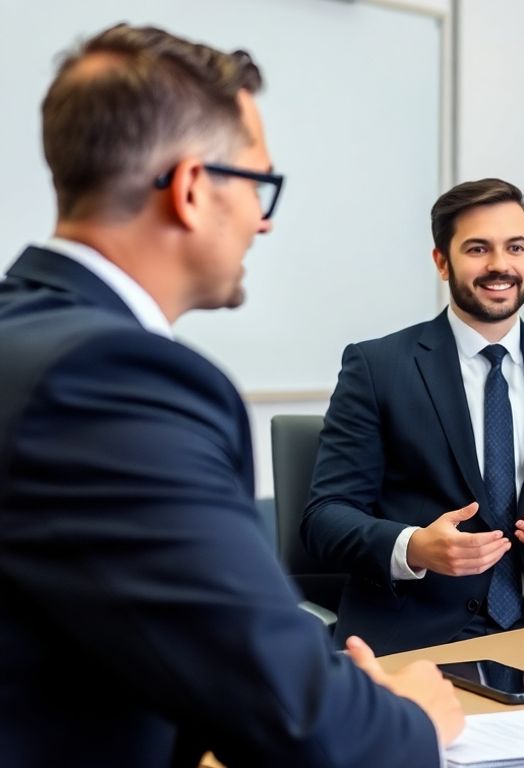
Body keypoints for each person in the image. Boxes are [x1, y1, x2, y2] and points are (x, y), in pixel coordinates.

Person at [0, 24, 464, 766]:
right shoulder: (117, 378)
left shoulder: (22, 333)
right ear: (190, 189)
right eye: (259, 184)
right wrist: (406, 719)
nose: (265, 217)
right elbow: (297, 722)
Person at [301, 178, 524, 655]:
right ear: (442, 262)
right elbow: (324, 519)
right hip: (417, 640)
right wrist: (415, 547)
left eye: (516, 247)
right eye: (477, 248)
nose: (500, 265)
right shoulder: (378, 367)